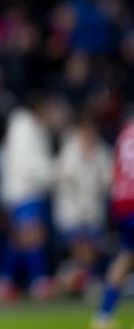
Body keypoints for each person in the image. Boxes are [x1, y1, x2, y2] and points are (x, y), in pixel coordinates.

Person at [0, 94, 57, 302]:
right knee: (32, 234)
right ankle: (38, 281)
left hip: (26, 190)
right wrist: (53, 173)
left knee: (19, 239)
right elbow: (27, 164)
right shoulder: (24, 128)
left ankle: (1, 281)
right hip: (23, 190)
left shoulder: (31, 128)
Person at [53, 115, 111, 295]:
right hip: (72, 208)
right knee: (79, 245)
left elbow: (108, 178)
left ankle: (81, 280)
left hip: (93, 207)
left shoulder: (102, 150)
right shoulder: (69, 149)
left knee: (92, 247)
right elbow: (62, 175)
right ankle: (78, 281)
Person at [90, 112, 134, 329]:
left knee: (127, 255)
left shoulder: (125, 132)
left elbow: (115, 170)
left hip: (121, 202)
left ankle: (103, 316)